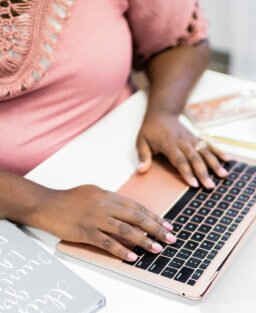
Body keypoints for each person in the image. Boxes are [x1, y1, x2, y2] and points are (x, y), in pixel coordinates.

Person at [0, 0, 228, 262]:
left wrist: (163, 112)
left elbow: (180, 42)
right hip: (19, 207)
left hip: (129, 156)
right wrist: (43, 203)